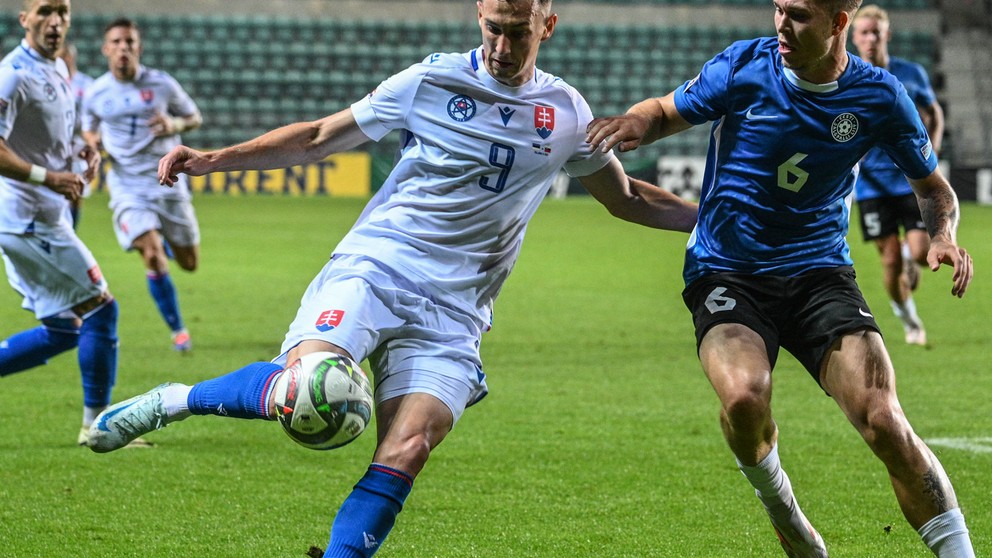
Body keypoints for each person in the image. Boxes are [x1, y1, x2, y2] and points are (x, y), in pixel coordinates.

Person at [85, 0, 698, 556]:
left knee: (406, 448)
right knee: (306, 390)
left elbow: (627, 199)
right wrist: (214, 159)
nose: (503, 49)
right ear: (478, 16)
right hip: (377, 268)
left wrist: (713, 224)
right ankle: (175, 400)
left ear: (548, 25)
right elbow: (320, 137)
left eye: (519, 33)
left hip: (457, 312)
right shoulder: (429, 81)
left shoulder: (565, 113)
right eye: (493, 29)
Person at [586, 0, 975, 556]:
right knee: (745, 397)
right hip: (727, 269)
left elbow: (934, 189)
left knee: (885, 419)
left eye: (799, 15)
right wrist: (635, 122)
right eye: (778, 9)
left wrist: (941, 235)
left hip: (819, 273)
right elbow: (666, 110)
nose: (781, 25)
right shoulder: (745, 66)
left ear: (839, 22)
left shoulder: (880, 96)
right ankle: (785, 512)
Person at [0, 0, 147, 449]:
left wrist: (82, 152)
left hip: (42, 217)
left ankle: (94, 421)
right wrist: (50, 177)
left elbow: (50, 135)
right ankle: (97, 426)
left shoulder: (57, 68)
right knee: (103, 308)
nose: (56, 21)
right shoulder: (13, 73)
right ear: (24, 18)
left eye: (62, 11)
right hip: (28, 220)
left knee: (65, 329)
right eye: (45, 11)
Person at [81, 17, 202, 352]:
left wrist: (173, 123)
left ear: (139, 47)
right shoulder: (96, 93)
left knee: (190, 263)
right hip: (127, 186)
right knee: (150, 254)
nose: (123, 48)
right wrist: (94, 145)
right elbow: (88, 129)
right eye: (117, 42)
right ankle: (178, 330)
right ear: (106, 49)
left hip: (168, 182)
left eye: (129, 42)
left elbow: (194, 118)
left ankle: (162, 242)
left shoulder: (162, 84)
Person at [850, 4, 945, 346]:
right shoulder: (847, 75)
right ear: (853, 37)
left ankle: (911, 255)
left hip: (909, 178)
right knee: (888, 261)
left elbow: (934, 112)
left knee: (922, 252)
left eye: (876, 31)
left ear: (887, 34)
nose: (870, 38)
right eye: (863, 32)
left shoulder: (910, 73)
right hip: (870, 185)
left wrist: (930, 151)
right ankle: (911, 322)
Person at [57, 41, 93, 228]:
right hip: (54, 144)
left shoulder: (86, 84)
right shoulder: (53, 81)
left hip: (78, 145)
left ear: (70, 57)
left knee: (77, 193)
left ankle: (72, 231)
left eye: (63, 56)